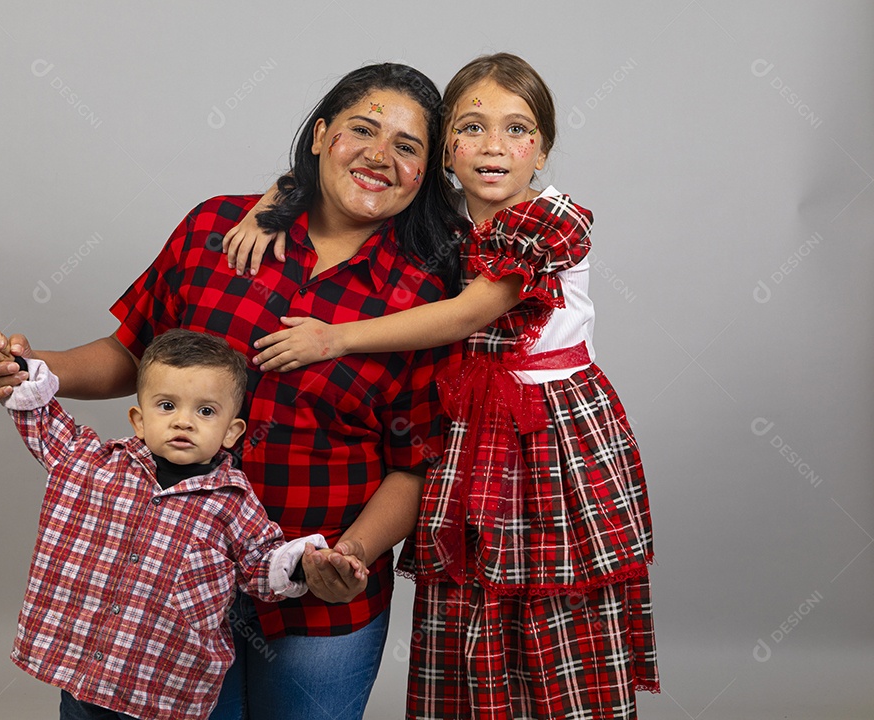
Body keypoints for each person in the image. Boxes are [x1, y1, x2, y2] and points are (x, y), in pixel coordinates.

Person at [0, 63, 461, 720]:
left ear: (427, 171)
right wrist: (35, 368)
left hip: (316, 603)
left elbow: (415, 464)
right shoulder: (217, 230)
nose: (380, 156)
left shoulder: (427, 300)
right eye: (361, 130)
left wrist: (349, 555)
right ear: (320, 136)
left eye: (407, 146)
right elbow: (132, 354)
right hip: (167, 579)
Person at [236, 53, 659, 719]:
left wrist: (335, 337)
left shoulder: (555, 222)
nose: (495, 146)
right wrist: (269, 208)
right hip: (469, 432)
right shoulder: (447, 219)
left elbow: (467, 313)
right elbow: (324, 171)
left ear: (542, 149)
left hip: (548, 434)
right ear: (444, 153)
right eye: (470, 128)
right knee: (472, 597)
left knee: (552, 599)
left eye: (518, 130)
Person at [0, 325, 358, 719]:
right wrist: (13, 365)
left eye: (206, 411)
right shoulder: (93, 464)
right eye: (167, 406)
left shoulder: (232, 502)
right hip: (85, 677)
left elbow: (262, 564)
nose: (184, 422)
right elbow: (44, 423)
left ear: (231, 432)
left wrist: (305, 561)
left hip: (164, 688)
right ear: (139, 419)